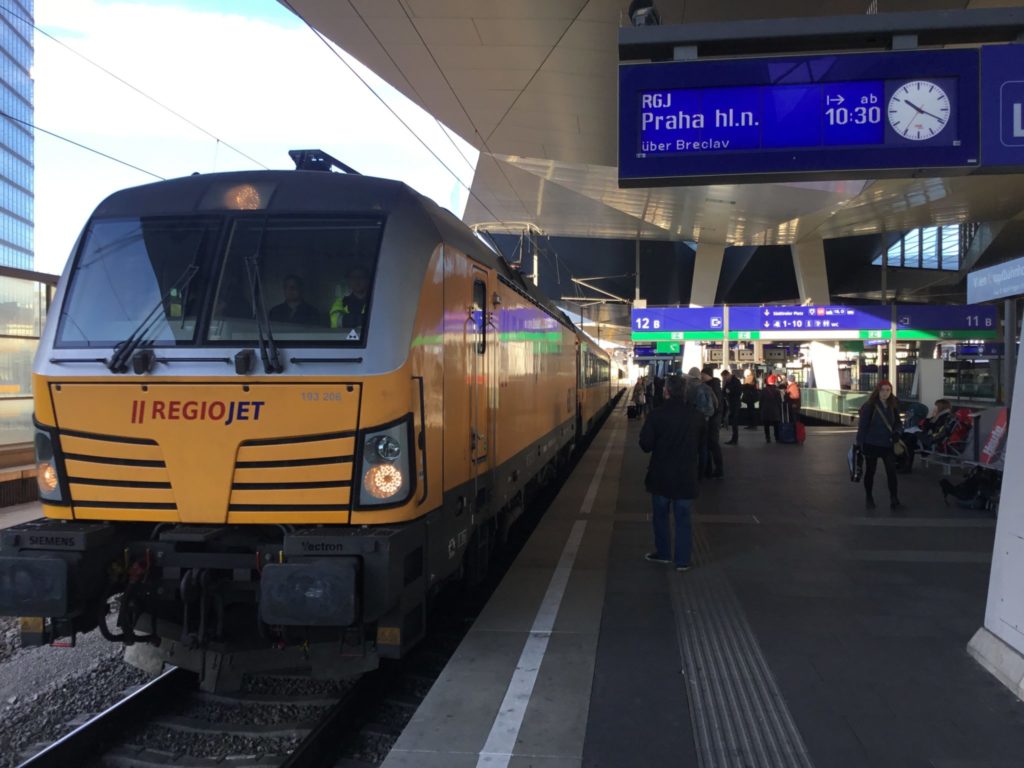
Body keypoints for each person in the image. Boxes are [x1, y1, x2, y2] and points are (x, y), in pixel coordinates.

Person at [639, 375, 702, 571]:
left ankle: (664, 553)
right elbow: (703, 445)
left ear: (666, 391)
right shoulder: (696, 416)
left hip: (661, 476)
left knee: (660, 516)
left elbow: (645, 445)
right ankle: (682, 561)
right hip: (686, 476)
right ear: (684, 392)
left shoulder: (656, 415)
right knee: (683, 518)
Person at [855, 379, 903, 510]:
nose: (885, 393)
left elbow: (898, 422)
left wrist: (897, 432)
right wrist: (860, 444)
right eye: (883, 390)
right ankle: (869, 497)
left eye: (888, 390)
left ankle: (894, 499)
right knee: (870, 471)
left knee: (891, 472)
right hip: (871, 444)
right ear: (877, 391)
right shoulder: (869, 406)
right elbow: (862, 426)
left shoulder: (893, 405)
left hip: (888, 444)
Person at [685, 366, 716, 477]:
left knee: (691, 447)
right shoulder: (707, 388)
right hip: (705, 421)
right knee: (703, 447)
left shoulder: (687, 388)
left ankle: (692, 471)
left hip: (691, 422)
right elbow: (715, 404)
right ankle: (702, 472)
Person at [330, 265, 371, 330]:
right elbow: (335, 321)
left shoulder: (375, 301)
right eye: (353, 277)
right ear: (349, 281)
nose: (357, 280)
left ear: (367, 280)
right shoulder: (341, 301)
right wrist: (362, 320)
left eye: (361, 277)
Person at [701, 366, 724, 478]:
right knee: (710, 444)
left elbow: (715, 404)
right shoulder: (715, 385)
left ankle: (717, 469)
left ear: (707, 375)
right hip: (714, 418)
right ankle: (711, 469)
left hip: (712, 419)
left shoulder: (711, 387)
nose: (701, 376)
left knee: (713, 444)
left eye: (703, 374)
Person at [759, 374, 783, 443]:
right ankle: (777, 438)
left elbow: (761, 401)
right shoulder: (777, 391)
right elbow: (779, 402)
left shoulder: (764, 390)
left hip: (765, 410)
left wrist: (760, 409)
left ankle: (768, 438)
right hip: (775, 411)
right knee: (776, 425)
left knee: (766, 425)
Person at [722, 369, 742, 445]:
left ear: (727, 375)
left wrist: (730, 391)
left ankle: (735, 439)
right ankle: (734, 439)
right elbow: (724, 391)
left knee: (734, 422)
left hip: (735, 404)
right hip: (731, 403)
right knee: (733, 422)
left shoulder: (736, 382)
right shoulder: (729, 382)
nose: (724, 379)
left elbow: (739, 392)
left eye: (724, 377)